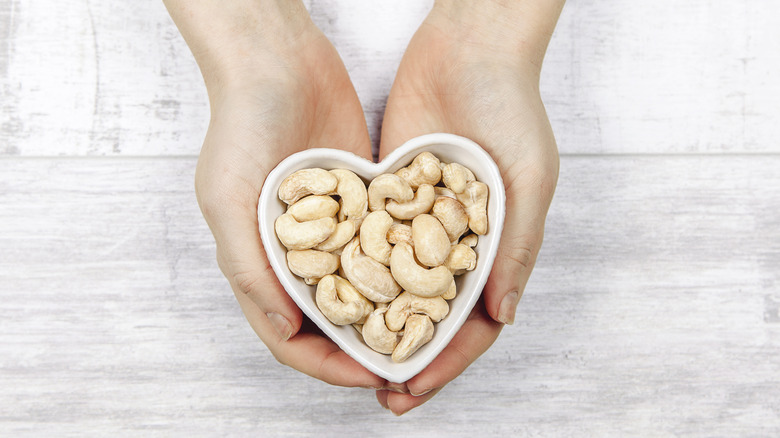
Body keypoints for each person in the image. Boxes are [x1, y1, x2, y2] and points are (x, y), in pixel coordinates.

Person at [163, 0, 564, 416]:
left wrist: (492, 39)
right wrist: (259, 57)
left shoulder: (405, 236)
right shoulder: (376, 234)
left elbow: (419, 258)